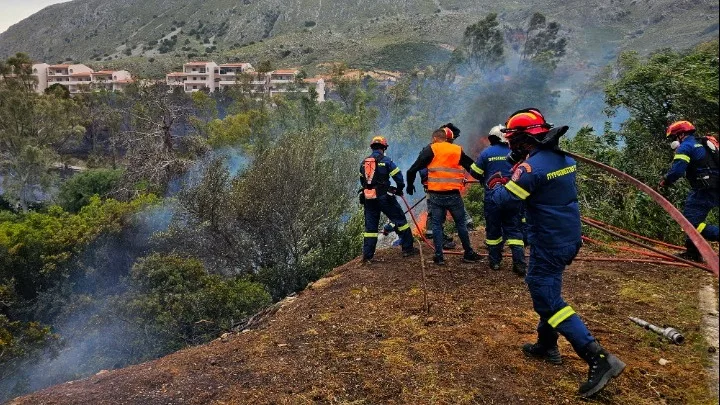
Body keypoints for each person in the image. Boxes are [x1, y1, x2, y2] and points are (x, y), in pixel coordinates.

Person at [489, 108, 625, 398]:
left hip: (549, 242)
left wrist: (500, 181)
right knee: (548, 287)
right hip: (567, 237)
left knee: (546, 296)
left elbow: (503, 202)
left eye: (513, 139)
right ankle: (546, 344)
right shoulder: (564, 159)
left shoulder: (529, 170)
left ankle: (598, 357)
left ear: (524, 140)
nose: (510, 144)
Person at [406, 127, 484, 265]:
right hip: (453, 194)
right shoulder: (457, 150)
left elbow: (412, 169)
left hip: (436, 195)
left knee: (436, 225)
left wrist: (410, 185)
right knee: (461, 224)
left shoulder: (431, 149)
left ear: (435, 138)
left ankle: (439, 256)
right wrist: (483, 179)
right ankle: (468, 253)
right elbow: (472, 166)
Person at [659, 120, 719, 262]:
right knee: (692, 221)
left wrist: (665, 181)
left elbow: (677, 171)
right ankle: (693, 252)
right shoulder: (703, 143)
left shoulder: (686, 147)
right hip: (715, 187)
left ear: (681, 135)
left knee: (690, 223)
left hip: (704, 189)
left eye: (674, 138)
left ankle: (693, 253)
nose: (674, 142)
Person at [475, 124, 526, 275]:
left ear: (493, 138)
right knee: (515, 230)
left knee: (493, 231)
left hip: (493, 199)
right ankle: (520, 265)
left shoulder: (486, 153)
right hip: (513, 196)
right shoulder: (516, 152)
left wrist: (484, 178)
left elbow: (475, 172)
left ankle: (495, 262)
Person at [360, 136, 418, 264]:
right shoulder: (386, 161)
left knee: (370, 229)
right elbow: (398, 176)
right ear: (384, 147)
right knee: (400, 220)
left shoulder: (364, 162)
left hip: (369, 199)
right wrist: (399, 189)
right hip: (384, 197)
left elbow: (362, 181)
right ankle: (408, 249)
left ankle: (367, 256)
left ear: (372, 147)